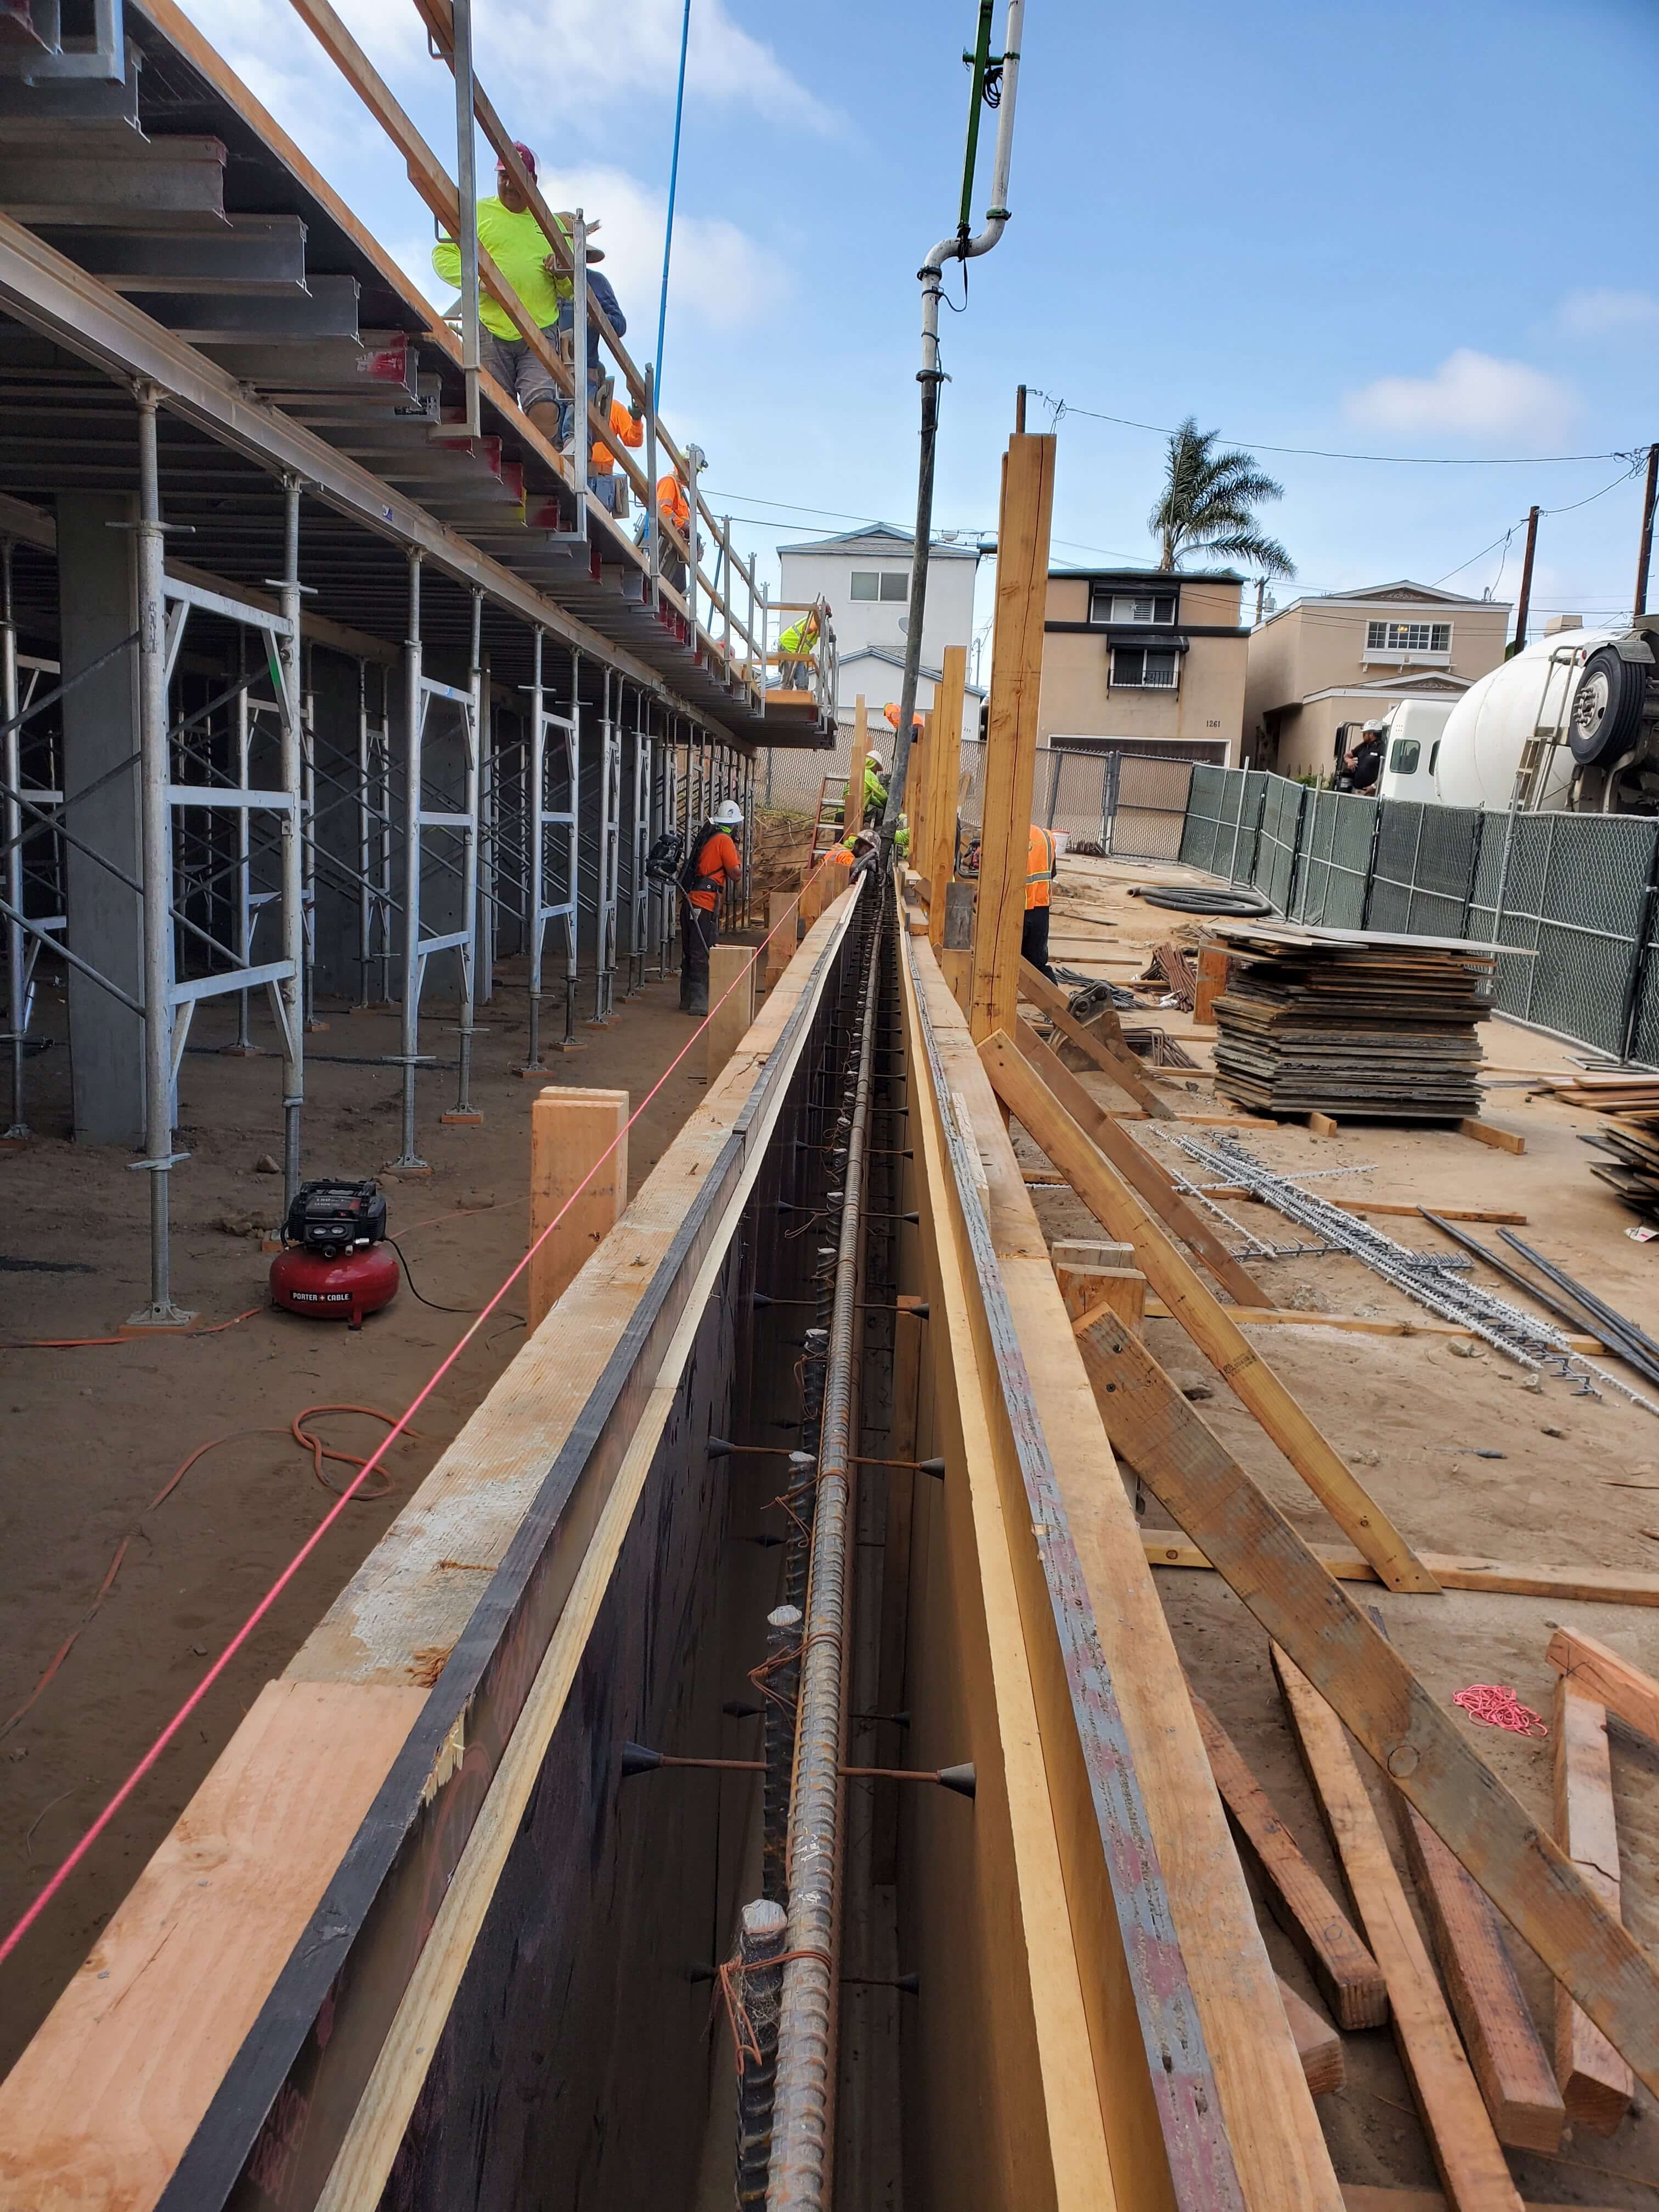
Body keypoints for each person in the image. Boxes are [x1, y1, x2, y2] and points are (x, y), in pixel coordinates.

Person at [431, 143, 571, 451]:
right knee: (494, 409)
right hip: (491, 327)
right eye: (503, 176)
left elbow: (572, 287)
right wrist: (474, 279)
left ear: (532, 182)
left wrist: (561, 273)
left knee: (542, 409)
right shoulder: (478, 213)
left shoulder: (552, 224)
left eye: (516, 177)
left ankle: (535, 466)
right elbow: (443, 255)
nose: (508, 184)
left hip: (539, 330)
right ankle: (501, 464)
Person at [680, 797, 744, 1015]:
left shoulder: (709, 837)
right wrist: (738, 856)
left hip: (692, 900)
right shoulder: (724, 841)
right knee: (702, 951)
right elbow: (736, 874)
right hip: (704, 902)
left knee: (692, 951)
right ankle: (699, 1003)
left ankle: (688, 999)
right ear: (734, 824)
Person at [590, 394, 643, 515]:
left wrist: (636, 422)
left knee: (597, 527)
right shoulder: (573, 396)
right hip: (575, 471)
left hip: (602, 480)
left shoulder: (613, 407)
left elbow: (633, 440)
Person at [1022, 822, 1058, 980]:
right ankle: (1058, 1002)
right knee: (1038, 962)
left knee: (1006, 957)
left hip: (1017, 907)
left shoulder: (1005, 836)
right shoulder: (1046, 836)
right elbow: (1052, 873)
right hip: (1041, 907)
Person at [657, 463, 692, 594]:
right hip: (666, 543)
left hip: (677, 547)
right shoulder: (669, 482)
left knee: (678, 593)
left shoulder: (681, 490)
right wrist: (684, 526)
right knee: (666, 590)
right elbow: (663, 510)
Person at [1340, 723, 1385, 795]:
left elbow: (1385, 771)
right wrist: (1349, 761)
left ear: (1371, 734)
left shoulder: (1382, 748)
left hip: (1369, 793)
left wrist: (1374, 786)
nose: (1363, 736)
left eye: (1365, 733)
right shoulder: (1363, 746)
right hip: (1356, 790)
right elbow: (1346, 756)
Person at [861, 750, 888, 826]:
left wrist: (879, 805)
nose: (876, 771)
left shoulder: (859, 772)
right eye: (877, 768)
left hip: (841, 812)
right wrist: (889, 806)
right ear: (874, 765)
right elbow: (883, 796)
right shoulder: (869, 775)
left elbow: (869, 798)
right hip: (855, 814)